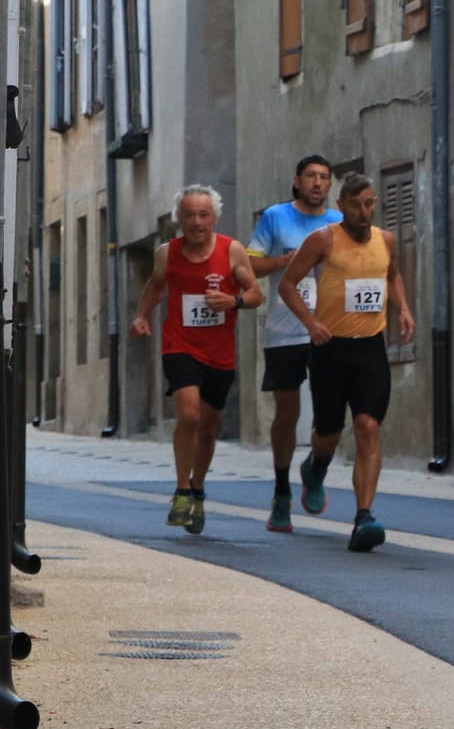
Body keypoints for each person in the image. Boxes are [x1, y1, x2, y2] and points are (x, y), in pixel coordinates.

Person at [276, 172, 415, 553]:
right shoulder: (323, 240)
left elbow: (393, 275)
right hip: (330, 348)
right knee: (329, 434)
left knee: (368, 426)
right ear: (342, 206)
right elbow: (287, 284)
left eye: (369, 204)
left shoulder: (385, 240)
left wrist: (402, 308)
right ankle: (315, 466)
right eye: (355, 205)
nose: (363, 212)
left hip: (370, 348)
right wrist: (311, 322)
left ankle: (364, 517)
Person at [129, 185, 265, 534]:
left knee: (208, 428)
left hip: (219, 353)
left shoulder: (231, 250)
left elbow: (255, 293)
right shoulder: (166, 253)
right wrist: (142, 315)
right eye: (189, 215)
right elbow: (157, 285)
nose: (196, 222)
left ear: (214, 218)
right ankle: (181, 489)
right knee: (188, 412)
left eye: (203, 215)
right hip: (180, 345)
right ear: (179, 219)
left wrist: (231, 302)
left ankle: (198, 488)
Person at [244, 155, 340, 533]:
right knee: (287, 413)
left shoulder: (338, 224)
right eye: (311, 176)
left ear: (330, 185)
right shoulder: (275, 217)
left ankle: (315, 469)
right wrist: (286, 260)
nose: (317, 183)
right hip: (285, 330)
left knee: (329, 414)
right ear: (297, 181)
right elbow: (249, 265)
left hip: (329, 329)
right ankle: (282, 492)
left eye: (324, 177)